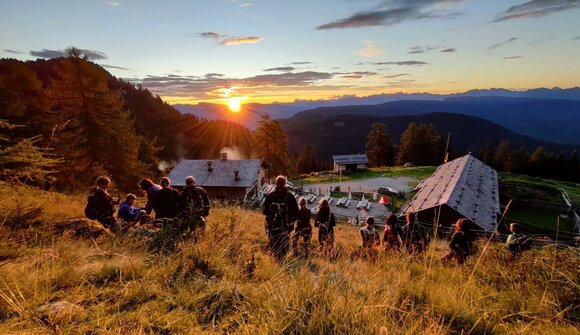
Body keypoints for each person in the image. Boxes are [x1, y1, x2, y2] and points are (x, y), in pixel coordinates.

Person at [263, 175, 299, 260]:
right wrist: (291, 220)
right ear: (285, 184)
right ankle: (282, 258)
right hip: (285, 226)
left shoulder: (270, 196)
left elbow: (265, 211)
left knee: (273, 241)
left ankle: (275, 258)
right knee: (284, 242)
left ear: (276, 183)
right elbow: (296, 211)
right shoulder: (289, 196)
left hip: (272, 225)